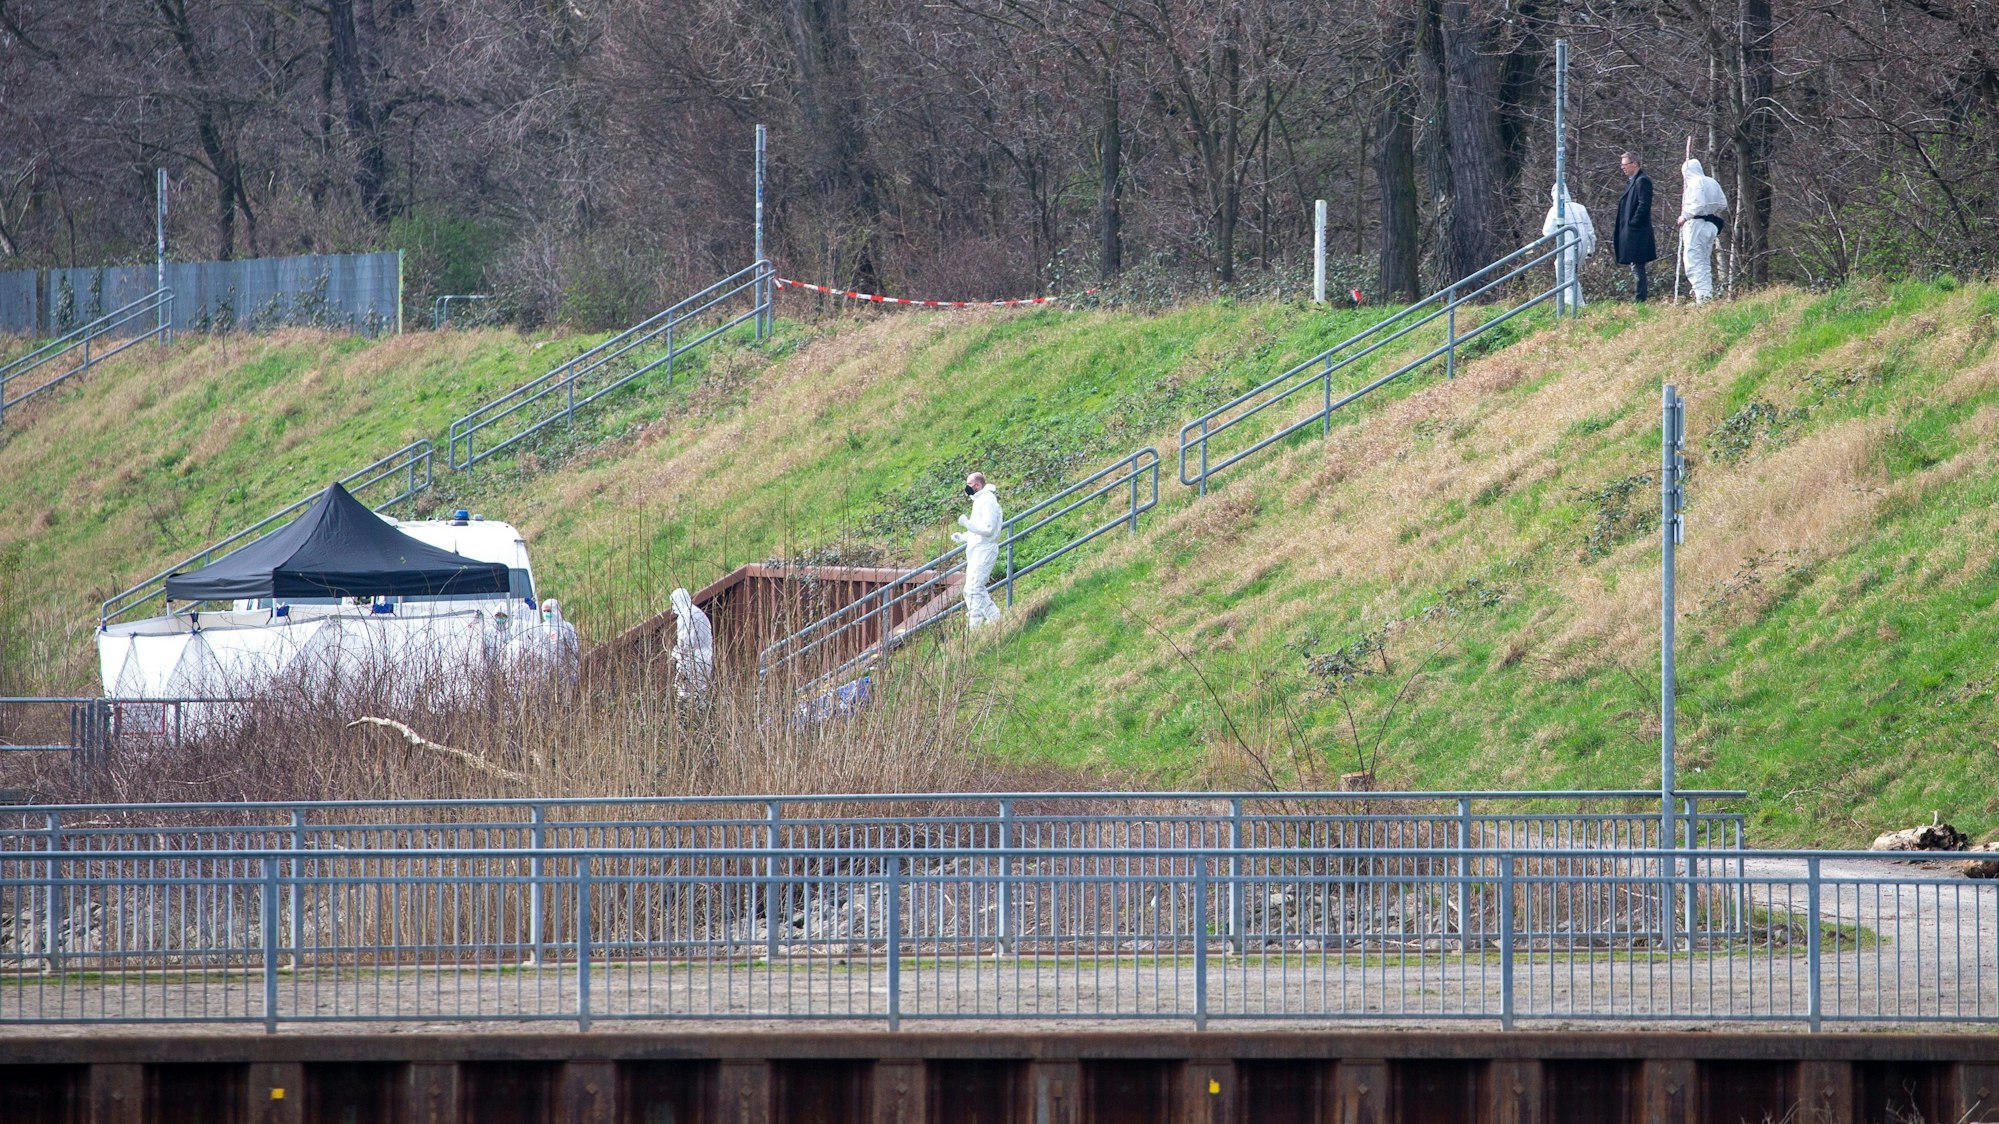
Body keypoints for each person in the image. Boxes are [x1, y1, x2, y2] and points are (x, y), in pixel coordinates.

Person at [950, 472, 1003, 629]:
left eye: (969, 484)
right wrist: (963, 536)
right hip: (977, 549)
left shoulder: (988, 502)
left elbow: (988, 529)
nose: (967, 488)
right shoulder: (979, 501)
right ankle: (995, 618)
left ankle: (975, 625)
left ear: (977, 485)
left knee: (974, 588)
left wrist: (966, 523)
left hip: (985, 550)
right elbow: (977, 530)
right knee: (970, 589)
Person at [1677, 158, 1729, 304]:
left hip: (1695, 225)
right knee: (1704, 260)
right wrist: (1710, 210)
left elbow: (1697, 204)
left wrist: (1684, 216)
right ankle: (1705, 294)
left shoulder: (1694, 184)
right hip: (1710, 225)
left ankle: (1702, 297)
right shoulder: (1712, 182)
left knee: (1693, 261)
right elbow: (1722, 204)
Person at [1541, 182, 1597, 313]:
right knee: (1573, 278)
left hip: (1568, 250)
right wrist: (1591, 249)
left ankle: (1571, 311)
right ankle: (1581, 306)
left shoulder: (1555, 210)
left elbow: (1547, 232)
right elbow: (1591, 232)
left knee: (1565, 280)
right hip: (1582, 249)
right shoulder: (1580, 208)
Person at [1613, 152, 1657, 302]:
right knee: (1635, 265)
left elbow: (1644, 205)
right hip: (1632, 230)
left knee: (1637, 265)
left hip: (1637, 232)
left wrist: (1633, 223)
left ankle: (1640, 298)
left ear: (1635, 164)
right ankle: (1639, 296)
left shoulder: (1642, 181)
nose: (1622, 168)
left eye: (1625, 165)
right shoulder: (1633, 181)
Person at [669, 587, 714, 699]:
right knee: (701, 691)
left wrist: (676, 653)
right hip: (706, 656)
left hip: (694, 659)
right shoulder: (697, 612)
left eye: (674, 603)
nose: (673, 608)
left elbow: (686, 642)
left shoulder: (686, 615)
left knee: (688, 694)